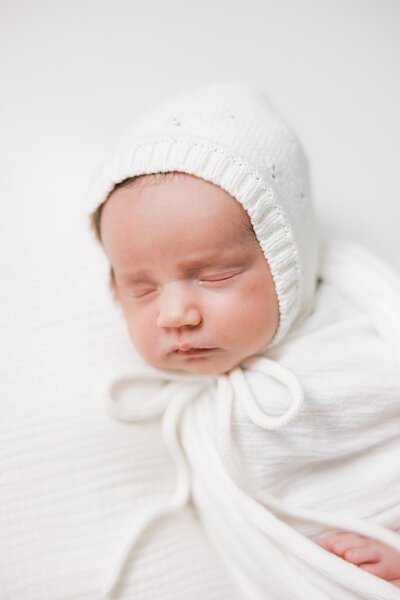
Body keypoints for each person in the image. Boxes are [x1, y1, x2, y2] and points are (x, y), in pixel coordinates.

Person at [88, 83, 400, 599]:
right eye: (141, 288)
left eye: (214, 276)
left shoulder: (361, 333)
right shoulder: (191, 415)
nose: (175, 315)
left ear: (287, 265)